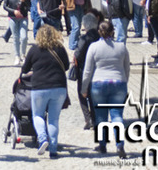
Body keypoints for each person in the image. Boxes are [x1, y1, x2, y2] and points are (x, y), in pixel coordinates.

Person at [81, 21, 131, 158]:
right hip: (118, 82)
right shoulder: (121, 47)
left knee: (101, 117)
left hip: (99, 83)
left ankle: (102, 144)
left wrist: (84, 88)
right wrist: (124, 80)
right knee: (117, 116)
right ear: (113, 31)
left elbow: (87, 70)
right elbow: (127, 67)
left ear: (99, 31)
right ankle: (120, 144)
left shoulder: (94, 47)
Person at [22, 25, 70, 159]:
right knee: (54, 119)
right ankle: (53, 149)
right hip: (58, 87)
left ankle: (43, 139)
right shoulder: (60, 48)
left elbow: (25, 69)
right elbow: (66, 66)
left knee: (37, 115)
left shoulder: (34, 49)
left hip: (40, 88)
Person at [74, 14, 101, 131]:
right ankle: (95, 119)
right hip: (99, 69)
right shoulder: (100, 36)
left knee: (82, 94)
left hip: (84, 70)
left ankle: (88, 119)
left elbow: (78, 53)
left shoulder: (84, 38)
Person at [5, 0, 30, 65]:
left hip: (23, 17)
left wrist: (24, 2)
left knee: (24, 37)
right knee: (15, 37)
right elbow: (5, 6)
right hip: (13, 18)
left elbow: (29, 6)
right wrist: (13, 11)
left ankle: (23, 54)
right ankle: (17, 56)